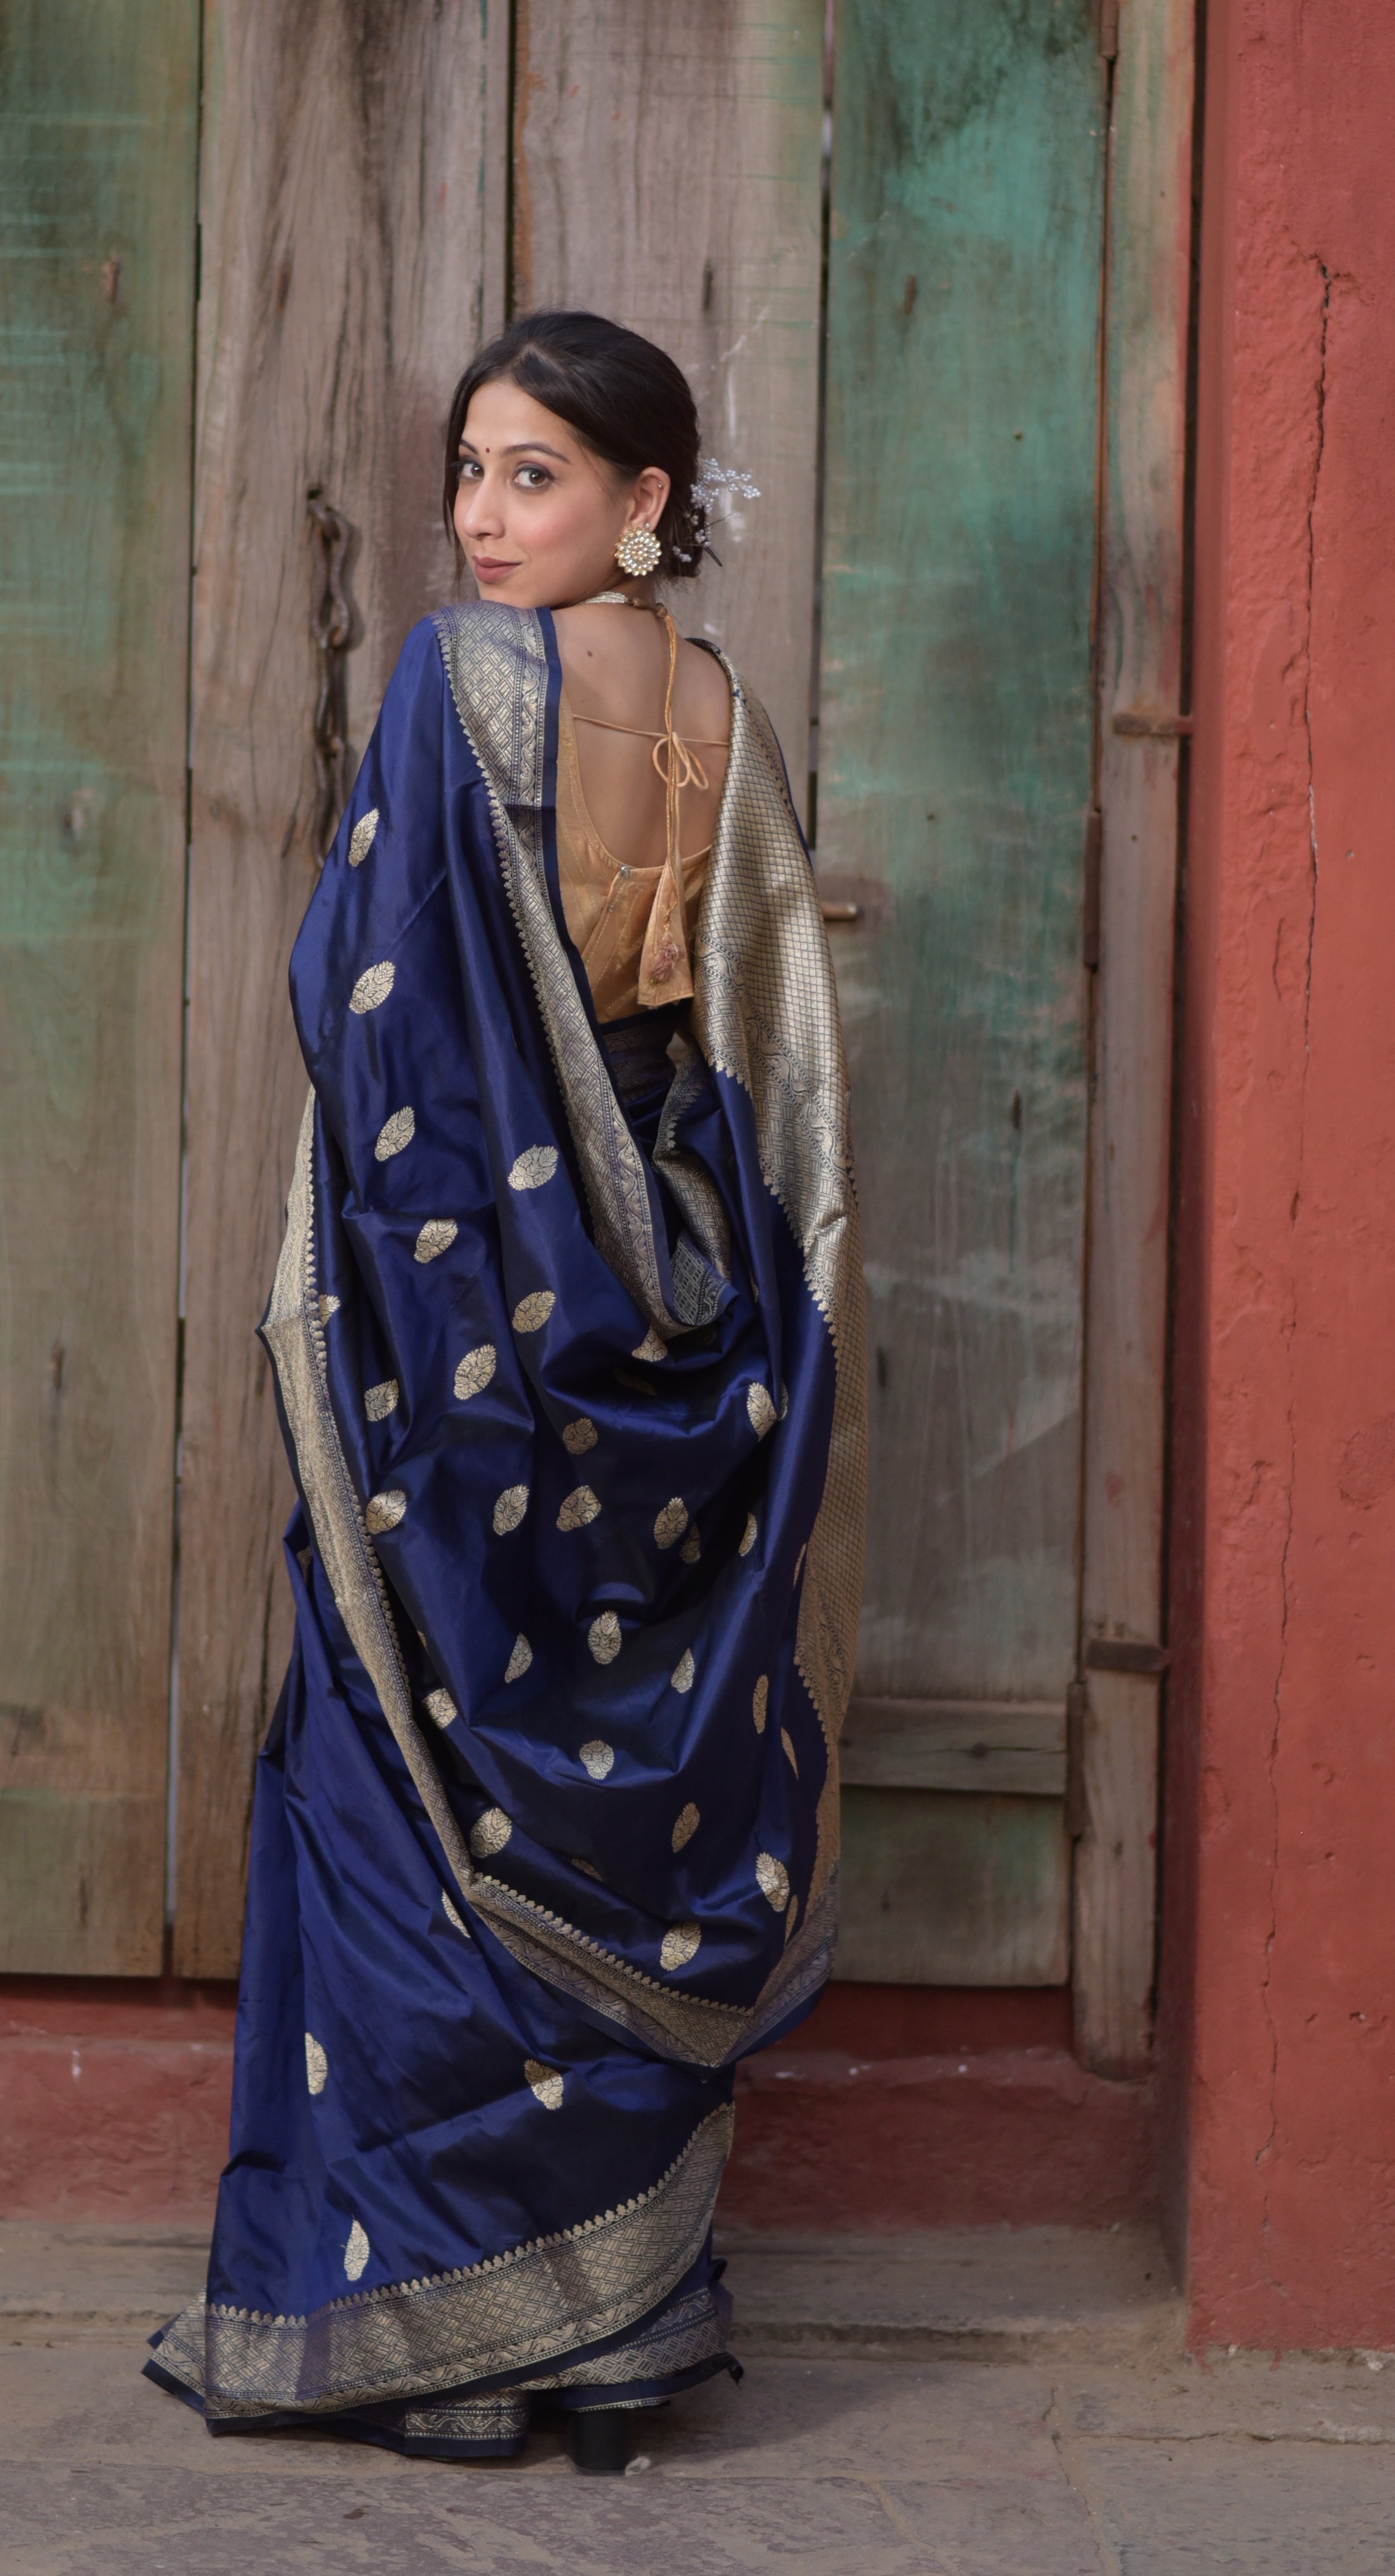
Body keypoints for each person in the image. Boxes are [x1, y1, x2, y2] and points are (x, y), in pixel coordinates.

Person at [147, 311, 866, 2469]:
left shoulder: (460, 689)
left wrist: (412, 1289)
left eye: (532, 472)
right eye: (469, 468)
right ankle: (619, 2337)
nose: (479, 514)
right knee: (619, 1794)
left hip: (470, 1338)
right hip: (680, 1321)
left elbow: (375, 1024)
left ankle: (445, 2349)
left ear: (648, 500)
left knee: (404, 1784)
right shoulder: (728, 715)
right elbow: (770, 1061)